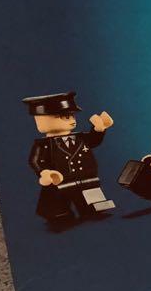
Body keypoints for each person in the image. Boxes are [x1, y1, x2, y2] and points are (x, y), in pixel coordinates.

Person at [24, 92, 115, 228]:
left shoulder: (80, 137)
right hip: (61, 180)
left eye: (72, 116)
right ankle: (60, 215)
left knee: (92, 198)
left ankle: (91, 209)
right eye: (66, 117)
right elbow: (35, 160)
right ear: (42, 120)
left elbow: (93, 141)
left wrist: (99, 129)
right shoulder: (44, 144)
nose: (72, 120)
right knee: (57, 201)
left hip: (86, 177)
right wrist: (44, 172)